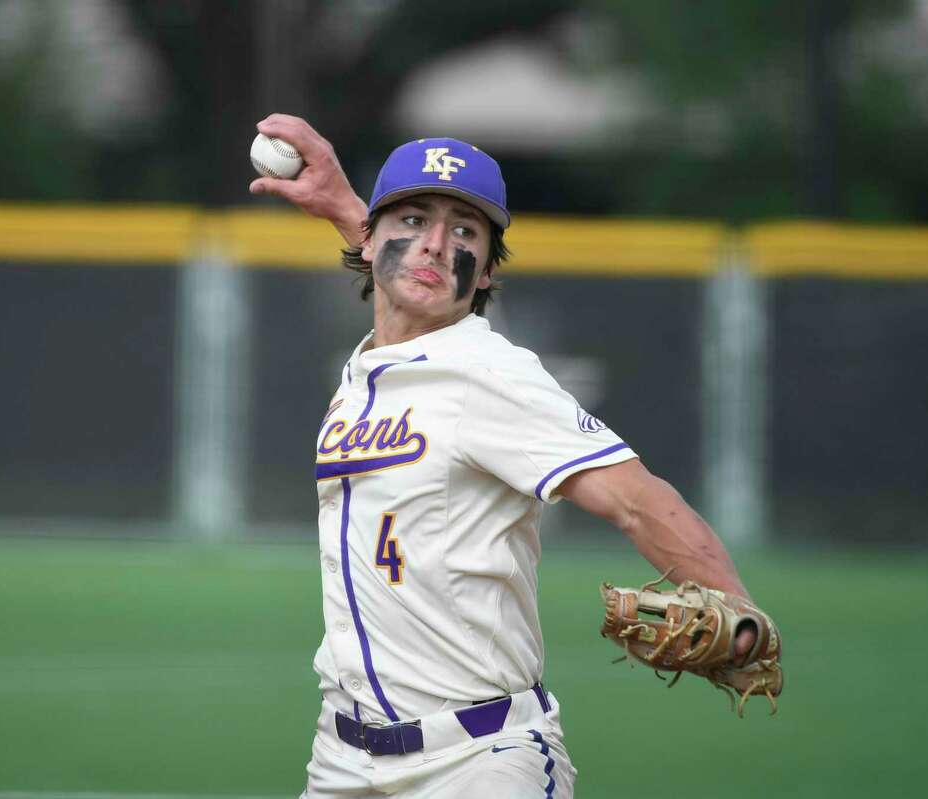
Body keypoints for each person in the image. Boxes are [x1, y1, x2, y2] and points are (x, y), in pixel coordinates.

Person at [249, 114, 759, 799]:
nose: (436, 244)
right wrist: (346, 204)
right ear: (371, 238)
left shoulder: (490, 375)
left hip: (475, 761)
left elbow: (636, 500)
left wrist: (738, 607)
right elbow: (398, 262)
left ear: (488, 269)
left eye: (465, 232)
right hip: (341, 762)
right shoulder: (375, 363)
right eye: (413, 219)